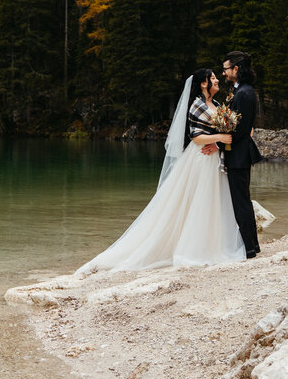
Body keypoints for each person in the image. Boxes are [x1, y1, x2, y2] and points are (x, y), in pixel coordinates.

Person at [75, 69, 245, 275]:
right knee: (197, 201)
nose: (217, 80)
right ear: (203, 83)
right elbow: (196, 138)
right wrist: (219, 137)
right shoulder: (197, 105)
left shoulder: (217, 105)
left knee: (212, 202)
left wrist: (222, 139)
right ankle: (194, 249)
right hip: (200, 159)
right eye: (213, 78)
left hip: (213, 159)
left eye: (217, 77)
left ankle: (214, 244)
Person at [214, 50, 263, 258]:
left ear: (236, 69)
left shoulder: (244, 93)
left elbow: (240, 128)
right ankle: (252, 245)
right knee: (241, 200)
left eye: (226, 69)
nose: (223, 73)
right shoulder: (241, 90)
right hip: (238, 153)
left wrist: (218, 140)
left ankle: (249, 248)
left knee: (241, 201)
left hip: (239, 154)